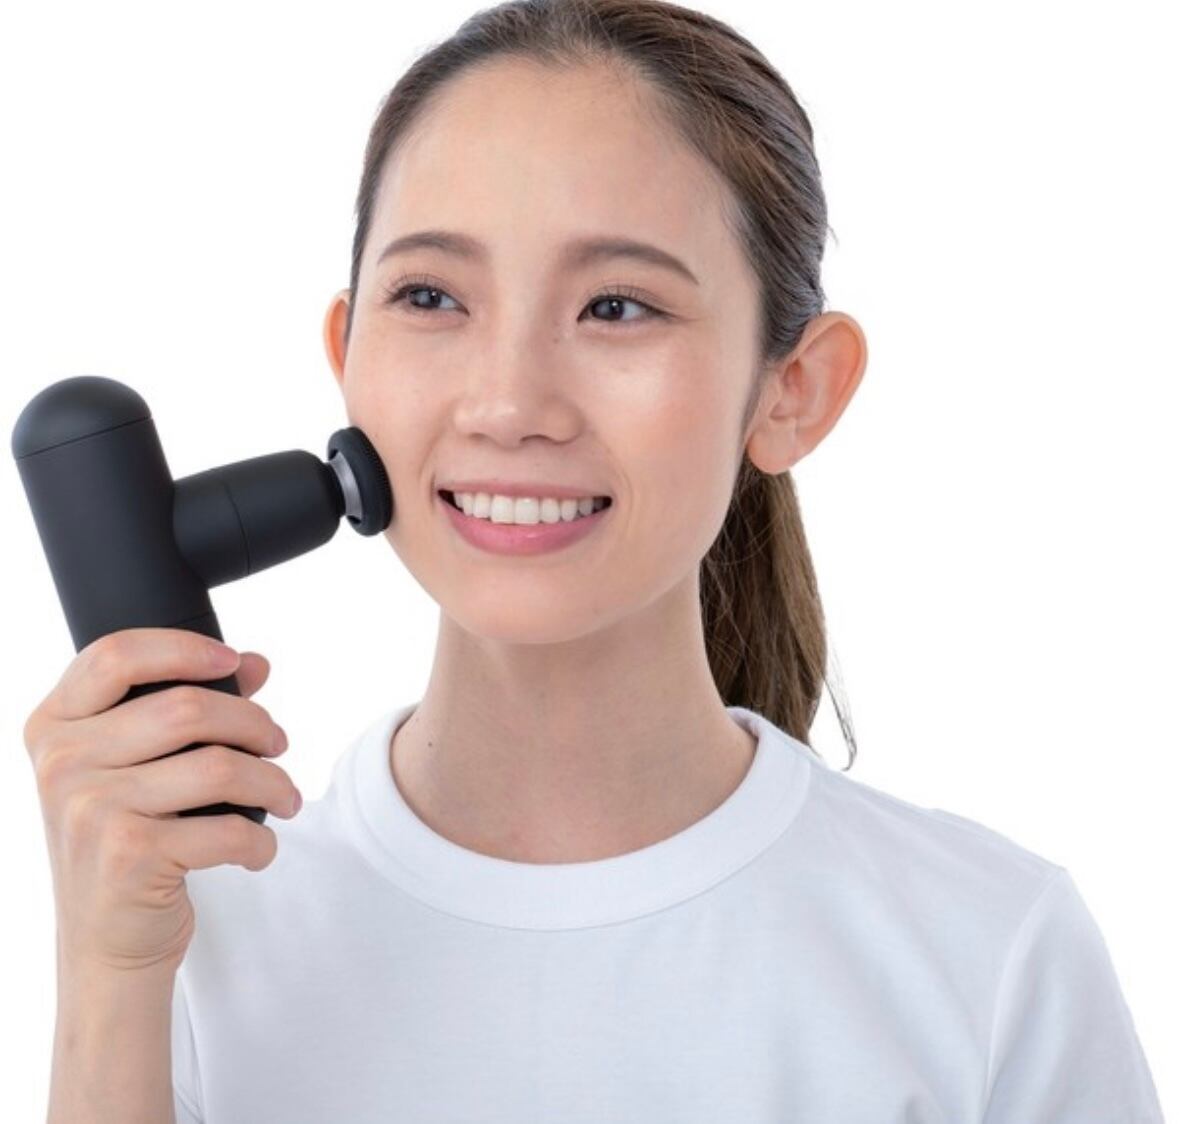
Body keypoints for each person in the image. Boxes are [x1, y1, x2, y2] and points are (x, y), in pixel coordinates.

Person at [25, 1, 1164, 1121]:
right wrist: (107, 981)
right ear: (348, 351)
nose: (509, 402)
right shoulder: (189, 942)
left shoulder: (989, 956)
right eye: (430, 296)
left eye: (616, 306)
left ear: (792, 391)